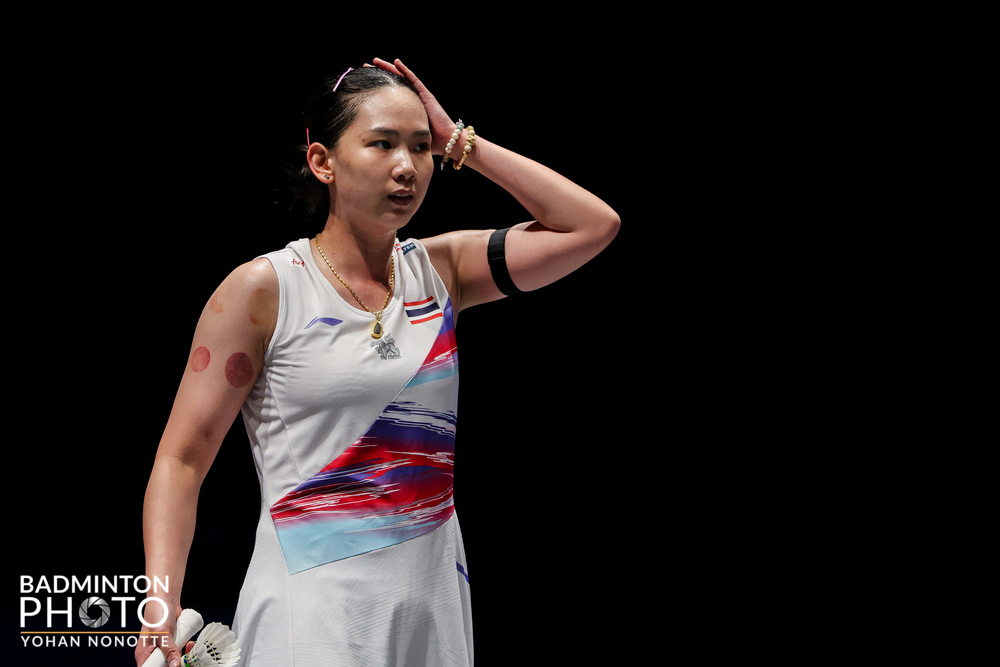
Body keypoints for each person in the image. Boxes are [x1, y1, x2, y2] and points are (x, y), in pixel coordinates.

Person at [136, 57, 619, 667]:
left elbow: (591, 225)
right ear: (323, 162)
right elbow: (180, 460)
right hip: (312, 612)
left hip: (432, 609)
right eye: (382, 143)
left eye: (419, 147)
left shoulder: (441, 271)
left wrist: (460, 142)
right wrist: (160, 610)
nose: (406, 166)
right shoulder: (265, 289)